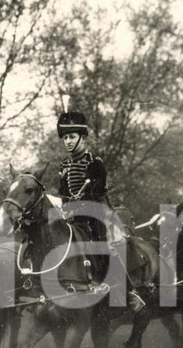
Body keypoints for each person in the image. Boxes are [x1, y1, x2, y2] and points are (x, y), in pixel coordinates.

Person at [56, 110, 145, 312]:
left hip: (97, 214)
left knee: (104, 246)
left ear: (83, 138)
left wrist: (75, 205)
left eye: (72, 137)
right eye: (65, 138)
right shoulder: (64, 165)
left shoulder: (95, 163)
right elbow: (63, 192)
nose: (68, 142)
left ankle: (130, 292)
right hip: (73, 217)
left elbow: (95, 193)